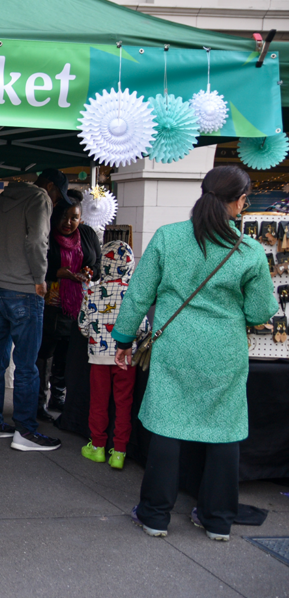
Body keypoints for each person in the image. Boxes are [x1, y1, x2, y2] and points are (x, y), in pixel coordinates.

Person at [116, 166, 276, 541]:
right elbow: (259, 312)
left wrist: (123, 340)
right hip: (225, 352)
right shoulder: (249, 251)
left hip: (176, 348)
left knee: (167, 427)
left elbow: (139, 294)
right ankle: (217, 520)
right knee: (225, 432)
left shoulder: (168, 238)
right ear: (237, 203)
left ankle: (155, 516)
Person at [0, 169, 71, 451]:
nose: (55, 201)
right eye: (57, 195)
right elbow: (37, 241)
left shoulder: (3, 201)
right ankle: (25, 431)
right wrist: (40, 278)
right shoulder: (40, 198)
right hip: (27, 291)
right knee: (27, 365)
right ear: (50, 186)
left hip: (0, 289)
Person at [77, 240, 147, 469]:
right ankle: (119, 452)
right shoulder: (134, 294)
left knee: (98, 402)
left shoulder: (92, 292)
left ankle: (97, 447)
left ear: (103, 264)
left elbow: (83, 327)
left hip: (98, 358)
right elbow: (143, 328)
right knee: (123, 403)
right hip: (126, 358)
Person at [35, 190, 101, 420]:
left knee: (68, 352)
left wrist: (89, 271)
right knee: (45, 352)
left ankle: (59, 397)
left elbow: (98, 265)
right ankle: (39, 400)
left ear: (81, 218)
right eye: (64, 216)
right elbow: (35, 264)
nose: (68, 222)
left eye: (74, 217)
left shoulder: (87, 234)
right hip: (49, 305)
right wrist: (56, 273)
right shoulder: (46, 235)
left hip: (78, 306)